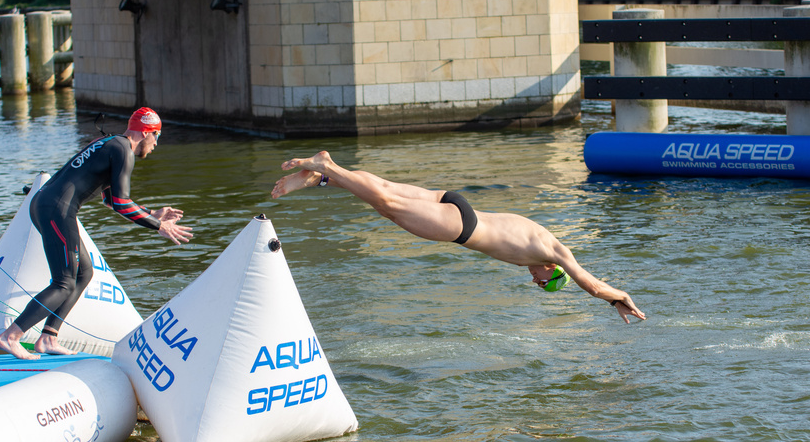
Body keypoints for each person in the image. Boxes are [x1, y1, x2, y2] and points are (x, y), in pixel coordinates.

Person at [271, 151, 645, 323]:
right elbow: (591, 284)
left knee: (386, 197)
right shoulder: (553, 251)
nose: (537, 281)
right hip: (460, 227)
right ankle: (327, 165)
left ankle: (323, 178)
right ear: (553, 270)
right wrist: (618, 298)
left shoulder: (541, 239)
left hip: (454, 202)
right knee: (387, 202)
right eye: (545, 284)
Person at [0, 107, 194, 360]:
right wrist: (159, 226)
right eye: (157, 136)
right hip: (56, 210)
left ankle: (48, 337)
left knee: (83, 273)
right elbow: (122, 203)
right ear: (147, 132)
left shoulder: (110, 143)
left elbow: (110, 200)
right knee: (64, 282)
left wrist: (152, 213)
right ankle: (11, 336)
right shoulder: (123, 150)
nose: (156, 144)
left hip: (49, 206)